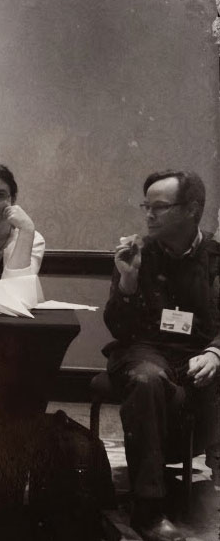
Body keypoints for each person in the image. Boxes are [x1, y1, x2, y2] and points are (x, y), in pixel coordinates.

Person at [104, 170, 220, 541]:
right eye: (146, 206)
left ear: (192, 209)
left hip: (198, 355)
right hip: (143, 352)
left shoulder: (215, 259)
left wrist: (217, 352)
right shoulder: (137, 253)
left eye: (160, 207)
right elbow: (119, 329)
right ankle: (148, 510)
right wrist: (127, 279)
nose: (149, 215)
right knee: (147, 379)